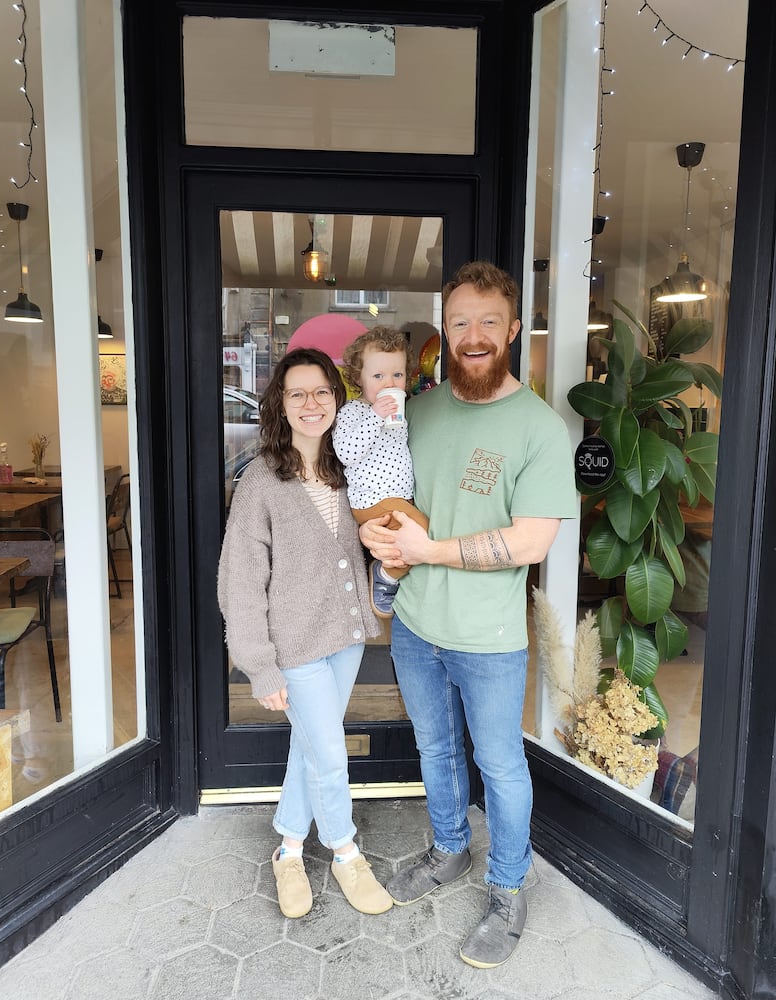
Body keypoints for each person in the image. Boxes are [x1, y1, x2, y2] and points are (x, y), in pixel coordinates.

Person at [360, 261, 578, 969]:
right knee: (435, 750)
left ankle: (509, 887)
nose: (474, 335)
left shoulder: (539, 428)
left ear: (513, 329)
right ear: (444, 333)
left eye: (489, 321)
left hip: (488, 639)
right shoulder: (415, 410)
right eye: (460, 322)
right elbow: (385, 495)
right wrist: (376, 532)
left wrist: (431, 548)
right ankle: (450, 849)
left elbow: (533, 539)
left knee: (502, 766)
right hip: (416, 627)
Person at [217, 347, 393, 920]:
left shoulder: (351, 468)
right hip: (292, 645)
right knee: (331, 751)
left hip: (343, 637)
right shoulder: (262, 481)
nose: (311, 403)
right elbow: (239, 580)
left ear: (337, 400)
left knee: (311, 745)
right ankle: (345, 851)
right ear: (281, 405)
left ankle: (289, 847)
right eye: (297, 393)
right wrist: (258, 665)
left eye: (322, 392)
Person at [333, 326, 429, 618]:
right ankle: (386, 576)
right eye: (378, 376)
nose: (389, 383)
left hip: (398, 500)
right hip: (373, 501)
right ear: (358, 378)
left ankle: (388, 569)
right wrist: (375, 416)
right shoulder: (352, 411)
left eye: (397, 375)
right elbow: (346, 453)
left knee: (409, 544)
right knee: (425, 534)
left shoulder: (405, 410)